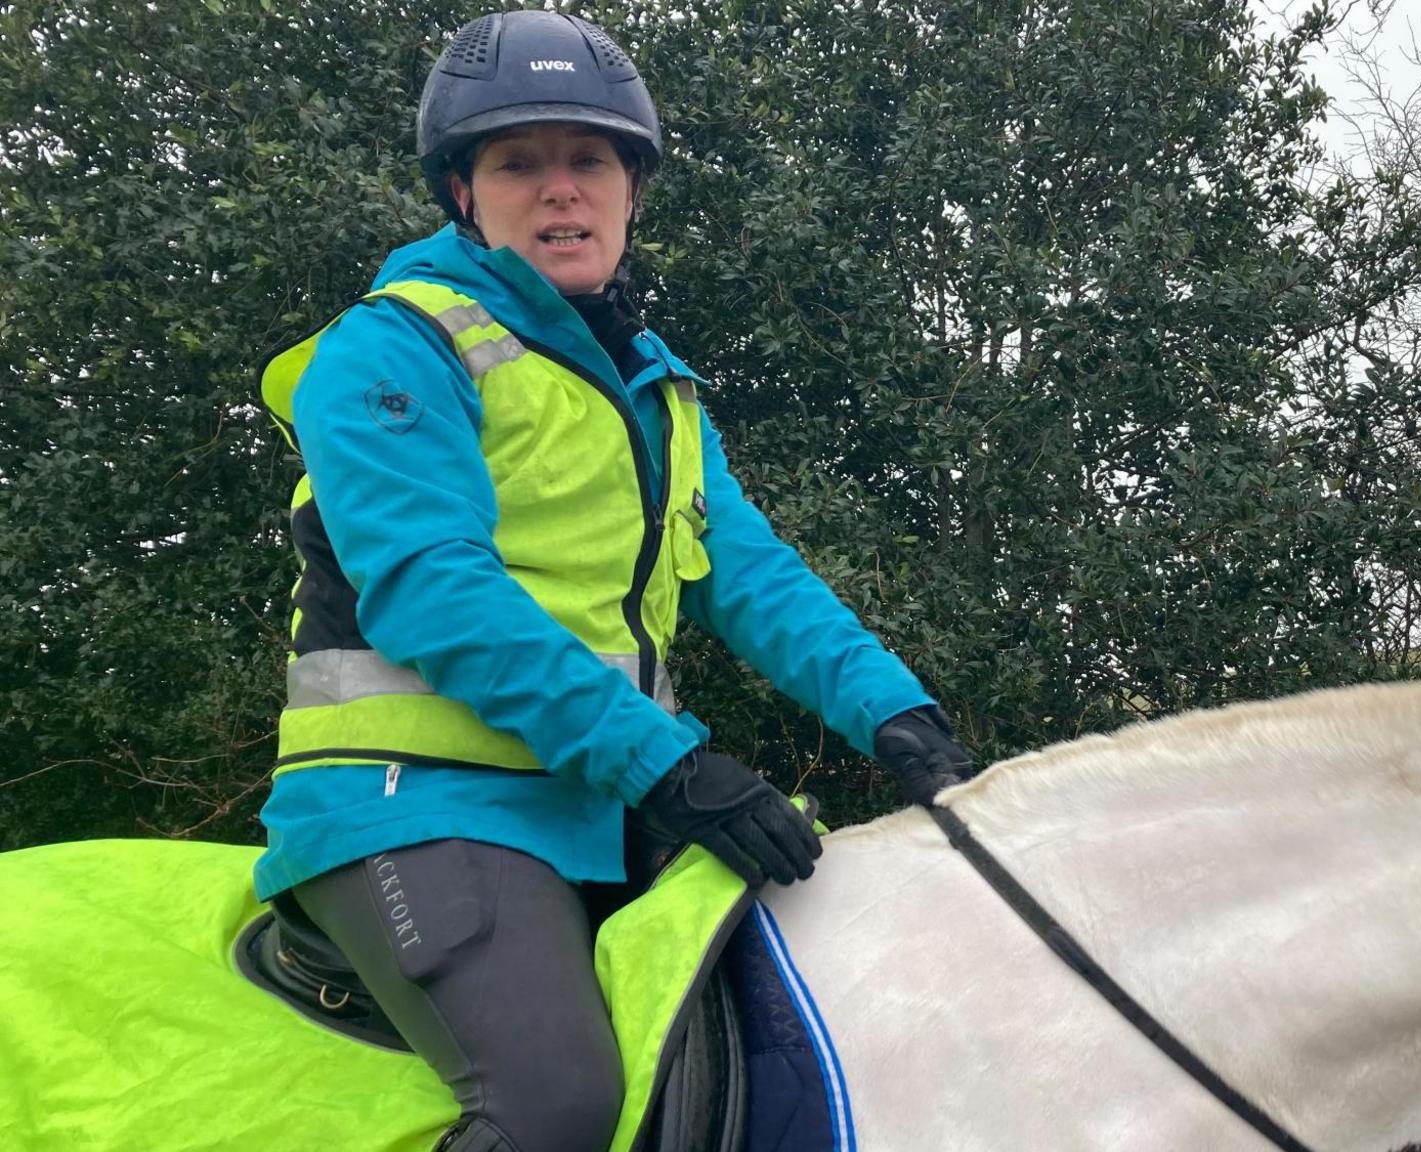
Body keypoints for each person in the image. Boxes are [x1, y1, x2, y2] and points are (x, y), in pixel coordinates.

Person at [250, 10, 971, 1150]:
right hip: (414, 803)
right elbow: (435, 589)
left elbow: (749, 576)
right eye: (518, 163)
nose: (559, 192)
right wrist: (671, 766)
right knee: (554, 1108)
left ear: (630, 188)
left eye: (587, 160)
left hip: (601, 805)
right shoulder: (392, 349)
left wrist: (898, 715)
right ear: (461, 194)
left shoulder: (655, 390)